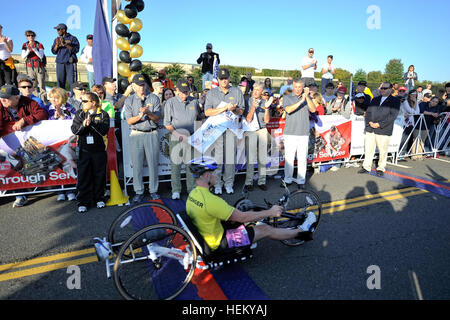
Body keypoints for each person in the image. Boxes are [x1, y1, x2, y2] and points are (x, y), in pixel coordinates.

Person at [185, 157, 317, 253]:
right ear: (207, 175)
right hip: (221, 243)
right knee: (265, 229)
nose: (216, 175)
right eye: (214, 173)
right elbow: (242, 217)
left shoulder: (193, 195)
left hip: (209, 234)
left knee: (246, 213)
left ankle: (251, 236)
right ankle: (303, 231)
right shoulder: (212, 201)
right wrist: (270, 212)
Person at [0, 84, 48, 208]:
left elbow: (42, 114)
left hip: (29, 141)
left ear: (17, 97)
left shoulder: (28, 102)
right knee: (13, 162)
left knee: (35, 161)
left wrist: (24, 120)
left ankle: (57, 187)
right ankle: (20, 195)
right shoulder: (0, 104)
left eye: (6, 97)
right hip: (8, 143)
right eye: (1, 97)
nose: (2, 100)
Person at [204, 68, 245, 195]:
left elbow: (241, 111)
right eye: (221, 79)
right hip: (217, 129)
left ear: (229, 78)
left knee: (230, 159)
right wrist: (223, 108)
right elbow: (207, 112)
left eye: (225, 78)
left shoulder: (236, 91)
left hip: (231, 129)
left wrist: (233, 109)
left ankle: (228, 184)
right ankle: (217, 184)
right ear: (218, 79)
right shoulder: (211, 93)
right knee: (218, 159)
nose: (223, 81)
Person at [123, 74, 161, 202]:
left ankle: (153, 190)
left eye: (143, 84)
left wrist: (148, 112)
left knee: (153, 164)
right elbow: (129, 121)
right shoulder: (129, 100)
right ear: (133, 86)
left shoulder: (154, 98)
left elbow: (157, 118)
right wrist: (141, 115)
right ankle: (138, 191)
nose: (142, 87)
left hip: (151, 133)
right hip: (136, 134)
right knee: (137, 165)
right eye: (139, 85)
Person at [71, 92, 110, 213]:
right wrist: (83, 125)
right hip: (84, 149)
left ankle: (99, 198)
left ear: (93, 103)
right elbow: (75, 130)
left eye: (84, 101)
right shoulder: (80, 114)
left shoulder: (103, 114)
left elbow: (103, 131)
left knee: (99, 174)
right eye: (81, 101)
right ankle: (83, 201)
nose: (82, 103)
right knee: (83, 175)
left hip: (98, 149)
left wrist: (91, 123)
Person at [164, 79, 200, 199]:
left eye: (187, 91)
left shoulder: (193, 101)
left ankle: (192, 188)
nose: (185, 94)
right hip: (176, 136)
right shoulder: (170, 103)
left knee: (191, 165)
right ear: (177, 91)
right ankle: (176, 190)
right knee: (176, 165)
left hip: (191, 137)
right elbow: (167, 124)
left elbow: (198, 118)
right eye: (183, 92)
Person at [358, 82, 400, 176]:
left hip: (383, 129)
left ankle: (381, 168)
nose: (382, 90)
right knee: (369, 149)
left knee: (382, 150)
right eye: (381, 88)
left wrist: (379, 124)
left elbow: (393, 116)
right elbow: (368, 112)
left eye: (385, 88)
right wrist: (370, 122)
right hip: (371, 128)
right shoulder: (375, 99)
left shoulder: (395, 101)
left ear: (390, 89)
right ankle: (366, 166)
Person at [282, 79, 316, 188]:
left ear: (303, 88)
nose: (297, 89)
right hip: (290, 133)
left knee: (302, 159)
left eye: (300, 87)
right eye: (296, 87)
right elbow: (288, 110)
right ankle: (288, 180)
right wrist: (301, 101)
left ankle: (301, 181)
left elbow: (313, 110)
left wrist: (306, 97)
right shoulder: (287, 97)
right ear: (293, 86)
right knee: (289, 159)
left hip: (303, 133)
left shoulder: (307, 98)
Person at [45, 87, 77, 201]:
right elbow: (43, 122)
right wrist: (54, 117)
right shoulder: (47, 108)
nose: (54, 101)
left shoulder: (69, 107)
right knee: (56, 164)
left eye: (56, 98)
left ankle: (70, 190)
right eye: (52, 98)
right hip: (53, 142)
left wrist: (63, 116)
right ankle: (60, 190)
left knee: (67, 162)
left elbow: (75, 119)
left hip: (66, 141)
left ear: (62, 98)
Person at [243, 82, 272, 191]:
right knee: (250, 158)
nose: (255, 92)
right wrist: (253, 108)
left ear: (261, 92)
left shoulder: (265, 102)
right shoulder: (246, 102)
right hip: (250, 131)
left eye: (258, 90)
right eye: (254, 89)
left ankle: (262, 181)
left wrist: (267, 108)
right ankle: (248, 182)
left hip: (262, 130)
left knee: (262, 158)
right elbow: (248, 119)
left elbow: (267, 120)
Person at [21, 30, 46, 101]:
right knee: (33, 85)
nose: (30, 37)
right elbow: (23, 56)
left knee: (41, 84)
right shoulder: (25, 45)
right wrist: (28, 50)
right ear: (26, 37)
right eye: (28, 35)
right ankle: (35, 101)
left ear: (34, 36)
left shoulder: (39, 44)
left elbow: (41, 56)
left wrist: (34, 49)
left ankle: (43, 101)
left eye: (32, 35)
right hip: (30, 66)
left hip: (39, 66)